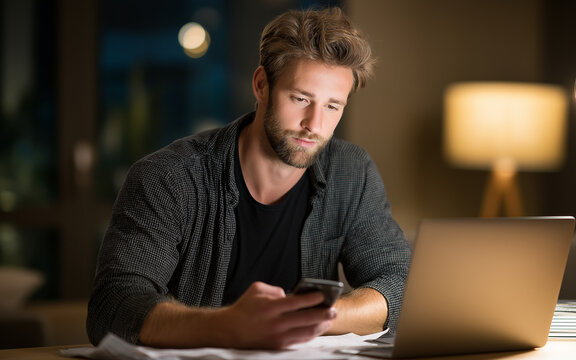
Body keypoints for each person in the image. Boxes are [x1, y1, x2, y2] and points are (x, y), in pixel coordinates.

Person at [86, 7, 411, 350]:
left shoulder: (351, 171)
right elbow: (113, 306)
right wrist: (229, 326)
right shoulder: (169, 178)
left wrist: (310, 318)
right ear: (261, 86)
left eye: (333, 106)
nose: (314, 125)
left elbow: (401, 284)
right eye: (300, 99)